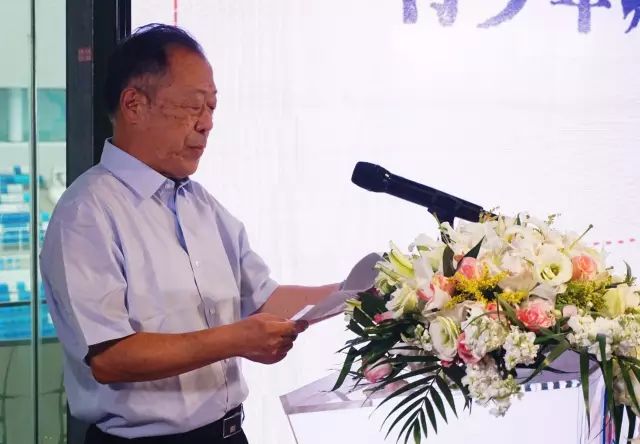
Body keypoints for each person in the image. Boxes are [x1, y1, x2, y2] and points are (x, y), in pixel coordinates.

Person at [40, 24, 339, 444]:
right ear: (134, 104)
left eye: (212, 108)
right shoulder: (87, 212)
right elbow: (111, 357)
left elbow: (264, 299)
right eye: (193, 106)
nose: (207, 124)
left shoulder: (201, 204)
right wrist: (235, 339)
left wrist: (363, 292)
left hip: (229, 433)